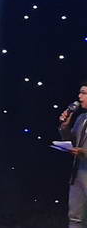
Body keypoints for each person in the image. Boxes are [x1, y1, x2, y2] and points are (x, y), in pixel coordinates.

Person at [59, 83, 87, 227]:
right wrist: (65, 126)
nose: (79, 96)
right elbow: (72, 142)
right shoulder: (82, 118)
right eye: (80, 92)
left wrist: (84, 152)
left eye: (84, 93)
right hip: (78, 175)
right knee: (75, 218)